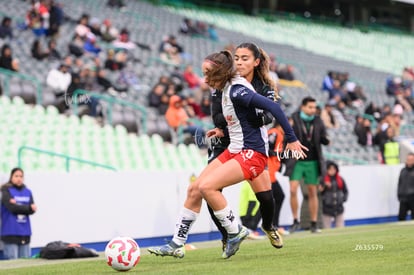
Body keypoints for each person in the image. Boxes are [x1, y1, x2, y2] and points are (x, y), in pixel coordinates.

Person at [148, 50, 307, 259]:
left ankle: (238, 230)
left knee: (210, 187)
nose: (204, 78)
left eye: (207, 73)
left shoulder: (237, 90)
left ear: (221, 72)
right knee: (195, 188)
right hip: (234, 149)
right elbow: (235, 119)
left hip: (252, 153)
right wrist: (222, 130)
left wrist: (292, 138)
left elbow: (273, 109)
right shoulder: (223, 90)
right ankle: (177, 243)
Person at [205, 43, 290, 251]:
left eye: (245, 58)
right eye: (237, 58)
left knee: (266, 197)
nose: (240, 62)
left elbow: (268, 116)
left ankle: (269, 226)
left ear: (256, 62)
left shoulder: (265, 86)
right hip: (225, 144)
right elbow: (217, 116)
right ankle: (227, 235)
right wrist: (237, 120)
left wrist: (246, 118)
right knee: (209, 187)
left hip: (252, 144)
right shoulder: (224, 83)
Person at [289, 96, 330, 233]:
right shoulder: (294, 118)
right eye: (310, 107)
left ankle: (314, 223)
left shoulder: (318, 120)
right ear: (303, 107)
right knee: (293, 189)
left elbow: (324, 137)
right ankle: (295, 221)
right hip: (297, 161)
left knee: (313, 192)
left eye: (314, 107)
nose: (313, 110)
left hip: (313, 161)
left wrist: (326, 140)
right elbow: (286, 136)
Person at [1, 168, 37, 260]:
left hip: (25, 231)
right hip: (10, 232)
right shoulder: (6, 190)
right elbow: (12, 208)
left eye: (21, 176)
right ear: (11, 177)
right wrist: (27, 208)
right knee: (13, 262)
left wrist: (19, 205)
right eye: (16, 176)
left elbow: (32, 209)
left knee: (25, 262)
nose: (19, 178)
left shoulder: (27, 191)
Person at [267, 120, 288, 235]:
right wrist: (275, 154)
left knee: (276, 197)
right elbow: (266, 148)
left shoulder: (278, 134)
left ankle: (273, 225)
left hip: (271, 171)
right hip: (268, 171)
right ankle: (270, 225)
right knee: (275, 197)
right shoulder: (274, 133)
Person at [319, 161, 348, 228]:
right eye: (330, 169)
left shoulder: (340, 179)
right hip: (326, 208)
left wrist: (343, 199)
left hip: (339, 207)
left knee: (340, 227)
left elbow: (345, 191)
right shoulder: (323, 179)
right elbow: (319, 192)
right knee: (326, 228)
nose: (332, 171)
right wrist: (324, 186)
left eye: (333, 169)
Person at [397, 153, 414, 221]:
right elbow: (400, 183)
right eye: (408, 159)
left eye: (411, 159)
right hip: (403, 198)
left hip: (413, 197)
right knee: (401, 217)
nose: (409, 161)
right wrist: (399, 194)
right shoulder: (403, 170)